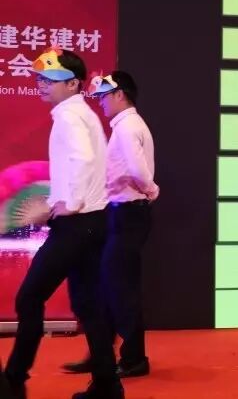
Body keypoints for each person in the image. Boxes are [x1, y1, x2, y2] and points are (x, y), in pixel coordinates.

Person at [2, 47, 124, 398]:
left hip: (77, 226)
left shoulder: (70, 117)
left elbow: (83, 160)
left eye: (50, 79)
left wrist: (67, 204)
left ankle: (14, 380)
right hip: (94, 222)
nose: (42, 83)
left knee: (30, 297)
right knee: (87, 303)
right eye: (40, 78)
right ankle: (107, 385)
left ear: (73, 84)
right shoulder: (82, 115)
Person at [62, 71, 158, 378]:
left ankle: (133, 359)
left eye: (104, 96)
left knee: (120, 288)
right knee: (107, 286)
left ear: (120, 95)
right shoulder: (124, 125)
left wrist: (151, 188)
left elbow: (138, 171)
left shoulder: (128, 127)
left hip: (129, 214)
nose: (101, 102)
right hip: (119, 213)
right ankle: (102, 354)